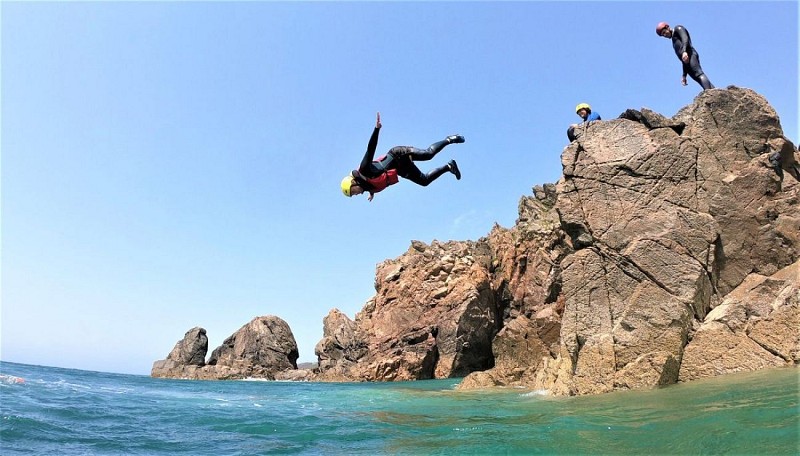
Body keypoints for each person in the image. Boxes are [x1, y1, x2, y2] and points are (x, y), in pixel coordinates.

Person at [340, 112, 465, 201]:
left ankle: (449, 139)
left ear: (353, 182)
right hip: (401, 169)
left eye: (353, 191)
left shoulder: (364, 170)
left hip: (398, 155)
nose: (356, 194)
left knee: (428, 154)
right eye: (353, 195)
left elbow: (370, 148)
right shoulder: (366, 186)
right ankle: (449, 166)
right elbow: (372, 184)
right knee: (424, 181)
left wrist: (377, 129)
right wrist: (372, 193)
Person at [656, 22, 714, 90]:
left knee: (699, 74)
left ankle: (708, 92)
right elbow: (683, 59)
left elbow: (685, 39)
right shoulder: (674, 41)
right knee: (698, 79)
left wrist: (684, 51)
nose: (664, 35)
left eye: (664, 32)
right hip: (686, 60)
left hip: (690, 54)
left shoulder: (678, 28)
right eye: (663, 35)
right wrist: (684, 75)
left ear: (667, 27)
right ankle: (715, 92)